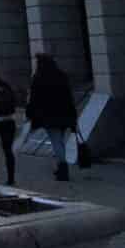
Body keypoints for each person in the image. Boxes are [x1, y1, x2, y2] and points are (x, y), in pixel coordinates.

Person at [26, 50, 78, 181]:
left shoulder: (38, 78)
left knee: (56, 141)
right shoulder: (61, 76)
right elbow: (68, 97)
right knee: (59, 140)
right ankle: (61, 167)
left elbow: (33, 99)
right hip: (64, 114)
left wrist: (31, 114)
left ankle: (62, 167)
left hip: (49, 116)